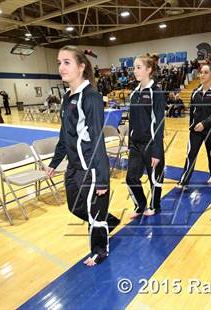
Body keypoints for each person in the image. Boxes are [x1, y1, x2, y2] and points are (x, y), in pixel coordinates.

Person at [47, 46, 120, 267]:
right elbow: (64, 135)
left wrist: (102, 179)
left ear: (81, 66)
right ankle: (107, 221)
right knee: (75, 207)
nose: (61, 67)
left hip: (91, 167)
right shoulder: (67, 97)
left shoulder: (91, 97)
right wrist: (54, 162)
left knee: (93, 214)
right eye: (59, 62)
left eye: (67, 62)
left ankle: (100, 251)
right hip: (74, 166)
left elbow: (98, 139)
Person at [126, 56, 165, 218]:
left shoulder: (156, 92)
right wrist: (130, 142)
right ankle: (140, 205)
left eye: (139, 67)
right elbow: (132, 121)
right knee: (131, 178)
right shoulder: (134, 93)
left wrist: (156, 151)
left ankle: (155, 206)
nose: (135, 71)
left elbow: (159, 123)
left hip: (151, 144)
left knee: (154, 179)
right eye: (134, 67)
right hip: (136, 144)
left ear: (149, 70)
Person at [177, 64, 211, 189]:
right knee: (190, 154)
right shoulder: (195, 92)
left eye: (205, 72)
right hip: (195, 130)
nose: (201, 75)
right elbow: (192, 111)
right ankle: (184, 181)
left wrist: (204, 124)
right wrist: (192, 126)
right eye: (201, 72)